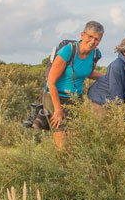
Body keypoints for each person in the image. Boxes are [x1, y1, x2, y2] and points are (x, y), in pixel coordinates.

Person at [45, 21, 105, 149]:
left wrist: (107, 78)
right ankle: (58, 166)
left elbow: (87, 72)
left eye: (97, 39)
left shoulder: (95, 54)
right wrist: (58, 109)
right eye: (90, 37)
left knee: (75, 141)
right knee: (63, 143)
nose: (93, 41)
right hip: (55, 96)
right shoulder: (68, 51)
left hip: (75, 99)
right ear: (82, 35)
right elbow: (51, 81)